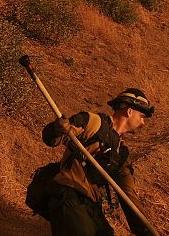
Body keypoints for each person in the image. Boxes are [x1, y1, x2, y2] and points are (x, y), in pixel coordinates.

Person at [39, 88, 155, 236]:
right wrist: (57, 129)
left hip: (90, 205)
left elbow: (128, 195)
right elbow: (52, 139)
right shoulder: (93, 123)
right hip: (68, 195)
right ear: (129, 111)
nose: (143, 123)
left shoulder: (121, 153)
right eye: (142, 116)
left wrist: (146, 231)